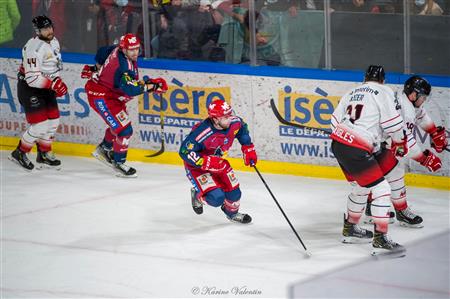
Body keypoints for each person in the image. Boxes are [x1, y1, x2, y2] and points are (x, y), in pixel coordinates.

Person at [330, 65, 408, 256]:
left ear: (365, 78)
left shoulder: (351, 91)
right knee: (382, 189)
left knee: (362, 187)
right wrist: (399, 142)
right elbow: (394, 123)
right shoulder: (384, 91)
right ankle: (380, 238)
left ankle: (350, 229)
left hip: (340, 144)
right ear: (383, 79)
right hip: (357, 147)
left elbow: (334, 122)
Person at [364, 76, 446, 227]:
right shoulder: (405, 109)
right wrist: (424, 159)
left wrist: (434, 132)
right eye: (422, 97)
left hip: (377, 141)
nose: (423, 100)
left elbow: (421, 115)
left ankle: (372, 210)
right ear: (413, 94)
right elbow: (404, 140)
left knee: (381, 177)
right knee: (395, 173)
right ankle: (400, 211)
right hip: (377, 143)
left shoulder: (405, 100)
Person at [83, 33, 168, 177]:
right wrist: (151, 86)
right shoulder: (123, 66)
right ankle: (119, 162)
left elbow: (103, 51)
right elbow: (131, 89)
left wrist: (95, 68)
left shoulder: (118, 50)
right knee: (124, 130)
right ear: (123, 49)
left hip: (111, 95)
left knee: (119, 125)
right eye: (131, 49)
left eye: (137, 48)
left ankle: (104, 149)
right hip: (102, 96)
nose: (135, 52)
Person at [179, 99, 257, 223]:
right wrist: (205, 162)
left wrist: (248, 147)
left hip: (219, 163)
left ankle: (231, 214)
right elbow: (184, 151)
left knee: (235, 194)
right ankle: (198, 196)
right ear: (215, 119)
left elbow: (242, 130)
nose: (230, 119)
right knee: (216, 198)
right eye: (226, 117)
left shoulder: (234, 122)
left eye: (230, 114)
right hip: (198, 168)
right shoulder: (202, 132)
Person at [9, 15, 68, 171]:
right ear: (38, 31)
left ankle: (43, 153)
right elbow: (32, 78)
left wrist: (57, 81)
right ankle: (20, 152)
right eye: (44, 29)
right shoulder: (34, 48)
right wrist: (54, 84)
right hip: (30, 88)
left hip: (46, 87)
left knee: (54, 121)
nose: (49, 31)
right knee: (40, 125)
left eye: (49, 27)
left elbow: (54, 67)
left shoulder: (54, 42)